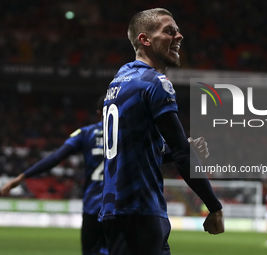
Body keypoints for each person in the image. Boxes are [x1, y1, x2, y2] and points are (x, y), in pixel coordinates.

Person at [99, 8, 224, 255]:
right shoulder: (155, 82)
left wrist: (178, 148)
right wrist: (214, 206)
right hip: (139, 211)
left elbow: (135, 147)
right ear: (145, 39)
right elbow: (181, 154)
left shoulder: (120, 78)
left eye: (177, 30)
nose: (179, 36)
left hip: (121, 210)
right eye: (169, 31)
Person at [1, 95, 109, 255]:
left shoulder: (86, 133)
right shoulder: (126, 135)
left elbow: (55, 158)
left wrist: (21, 177)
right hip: (117, 207)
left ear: (99, 113)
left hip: (92, 207)